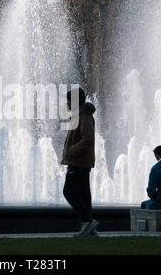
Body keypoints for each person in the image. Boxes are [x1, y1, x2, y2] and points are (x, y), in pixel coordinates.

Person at [61, 87, 98, 236]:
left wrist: (71, 151)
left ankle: (88, 221)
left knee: (69, 191)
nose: (67, 103)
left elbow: (87, 139)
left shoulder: (84, 116)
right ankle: (89, 228)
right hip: (79, 161)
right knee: (83, 195)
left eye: (69, 100)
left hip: (79, 162)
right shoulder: (79, 115)